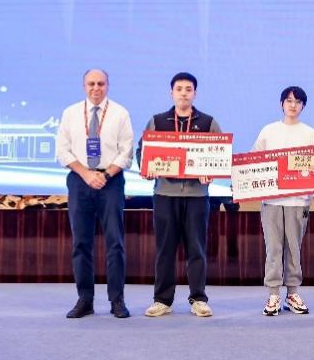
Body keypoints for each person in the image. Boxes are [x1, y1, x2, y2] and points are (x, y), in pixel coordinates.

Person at [138, 72, 221, 318]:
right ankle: (162, 300)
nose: (183, 93)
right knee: (165, 249)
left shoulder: (208, 122)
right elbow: (142, 151)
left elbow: (219, 154)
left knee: (197, 249)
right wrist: (147, 168)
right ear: (171, 93)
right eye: (179, 89)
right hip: (165, 194)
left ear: (195, 93)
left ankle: (199, 299)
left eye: (188, 89)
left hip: (197, 196)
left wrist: (211, 173)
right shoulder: (157, 121)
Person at [55, 68, 134, 319]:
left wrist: (105, 175)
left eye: (101, 83)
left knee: (115, 243)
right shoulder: (70, 113)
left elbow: (126, 152)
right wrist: (86, 174)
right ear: (84, 86)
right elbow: (63, 151)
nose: (96, 88)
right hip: (80, 181)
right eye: (91, 84)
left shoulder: (120, 113)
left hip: (111, 182)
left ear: (107, 86)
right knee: (81, 243)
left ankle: (117, 300)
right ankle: (85, 300)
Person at [252, 86, 314, 316]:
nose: (293, 105)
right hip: (272, 201)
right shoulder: (268, 131)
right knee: (273, 248)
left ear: (303, 106)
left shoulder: (310, 133)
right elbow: (254, 160)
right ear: (281, 104)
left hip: (299, 201)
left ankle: (292, 293)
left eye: (298, 102)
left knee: (294, 249)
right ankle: (273, 294)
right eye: (289, 101)